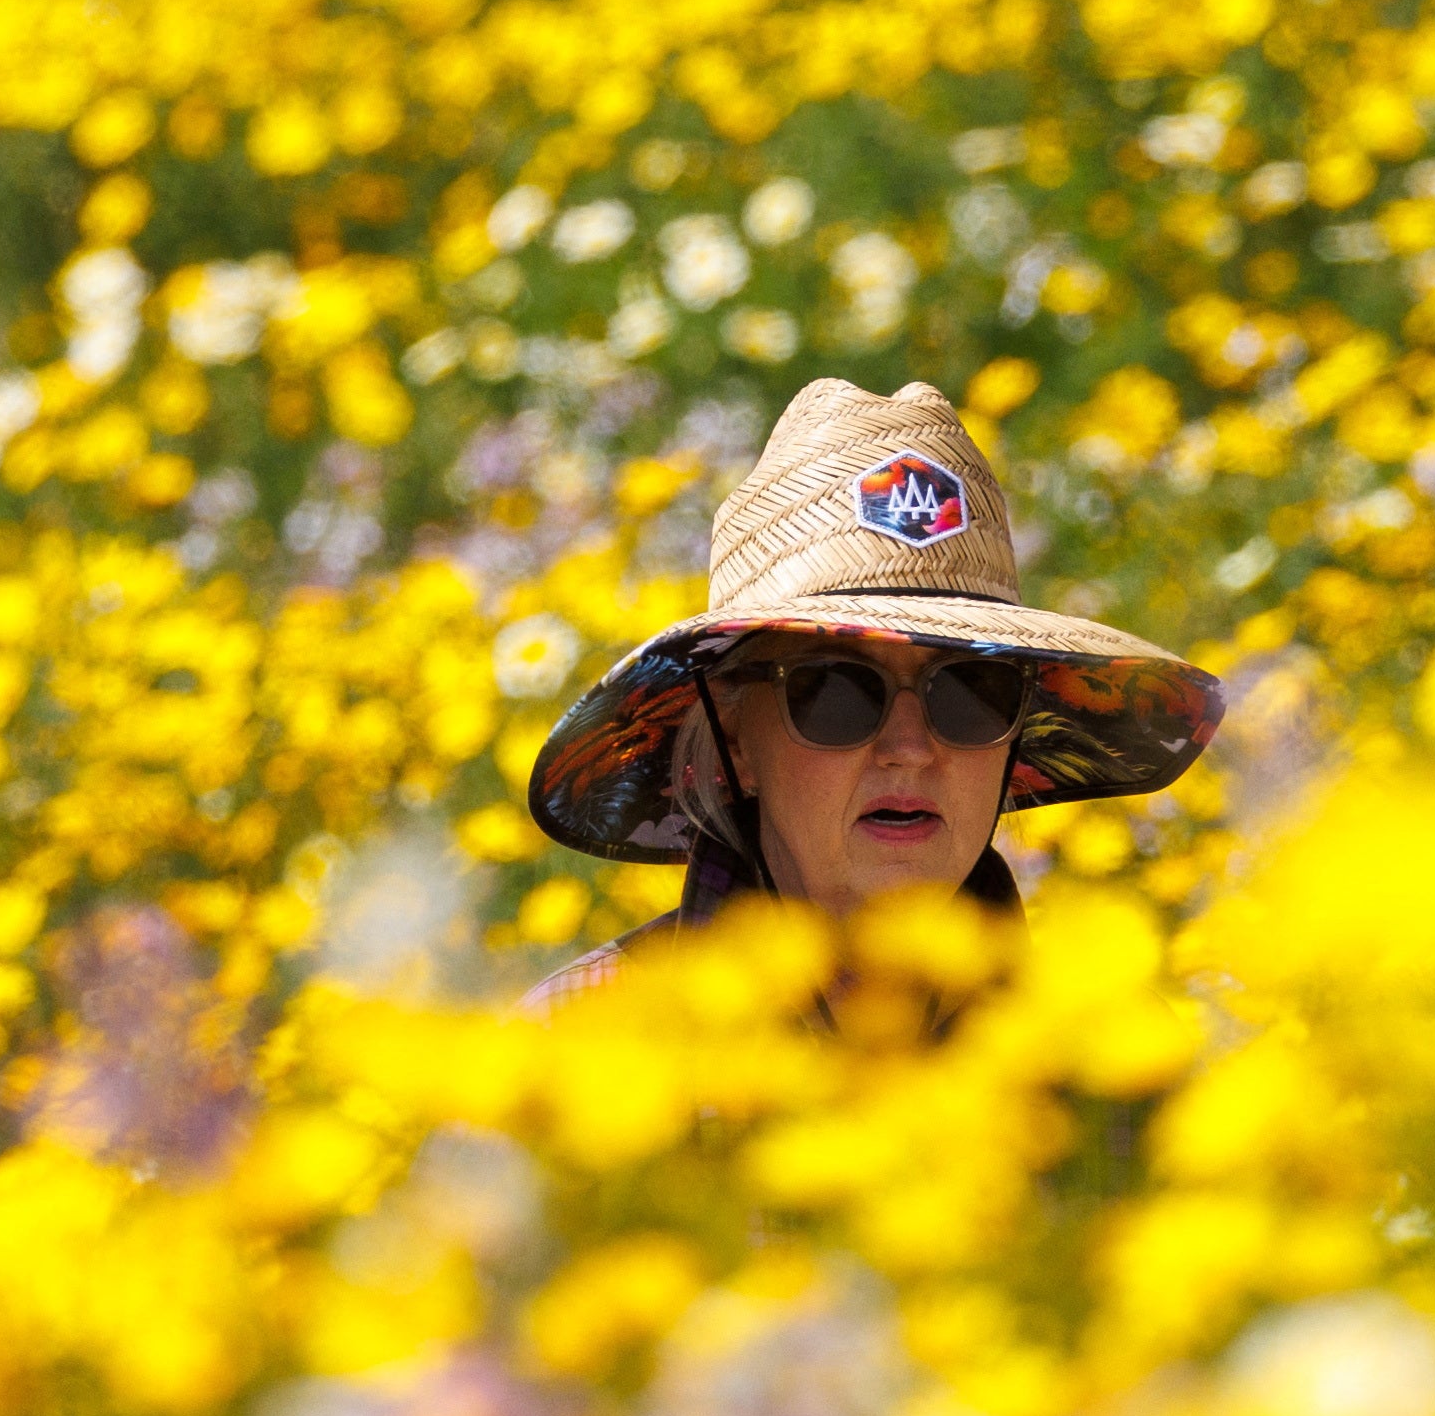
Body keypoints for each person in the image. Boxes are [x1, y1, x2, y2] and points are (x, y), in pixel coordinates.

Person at [518, 377, 1224, 1013]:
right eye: (834, 691)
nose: (911, 748)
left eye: (972, 691)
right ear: (734, 732)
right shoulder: (574, 1049)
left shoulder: (1117, 1071)